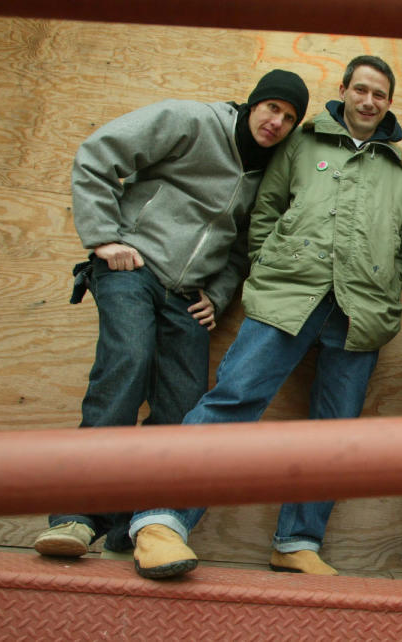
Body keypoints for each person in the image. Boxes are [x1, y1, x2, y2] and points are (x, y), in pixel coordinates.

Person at [127, 55, 402, 580]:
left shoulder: (401, 171)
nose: (369, 101)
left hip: (360, 316)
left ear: (389, 103)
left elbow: (401, 247)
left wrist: (383, 294)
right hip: (287, 297)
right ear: (345, 91)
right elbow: (263, 215)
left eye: (380, 94)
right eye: (361, 90)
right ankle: (161, 521)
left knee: (336, 433)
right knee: (234, 400)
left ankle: (297, 541)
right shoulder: (301, 144)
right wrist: (269, 269)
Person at [32, 70, 310, 560]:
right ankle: (75, 516)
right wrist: (102, 237)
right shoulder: (192, 121)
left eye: (289, 118)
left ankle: (129, 527)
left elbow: (246, 247)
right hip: (132, 266)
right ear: (252, 104)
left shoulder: (268, 172)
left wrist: (220, 294)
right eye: (271, 108)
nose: (277, 122)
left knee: (183, 406)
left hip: (187, 294)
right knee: (126, 366)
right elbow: (99, 152)